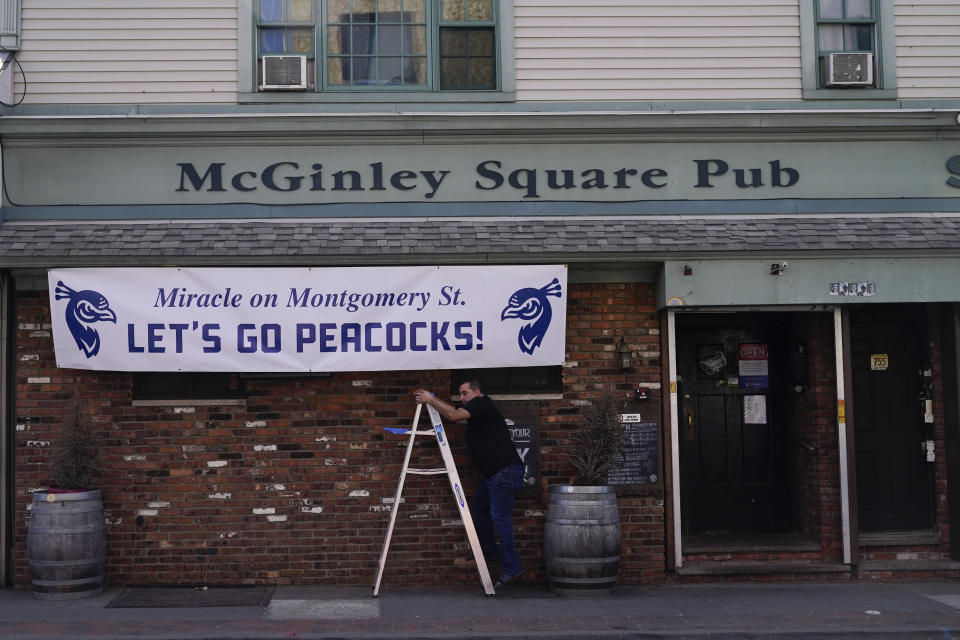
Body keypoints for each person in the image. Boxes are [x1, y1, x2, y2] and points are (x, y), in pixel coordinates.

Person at [413, 381, 526, 588]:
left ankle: (512, 567)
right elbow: (454, 412)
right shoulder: (476, 412)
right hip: (495, 476)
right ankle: (490, 551)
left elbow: (454, 415)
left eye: (465, 393)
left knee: (500, 519)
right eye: (460, 395)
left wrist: (431, 399)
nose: (462, 398)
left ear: (477, 392)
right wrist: (435, 400)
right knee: (478, 508)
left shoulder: (482, 403)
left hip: (505, 472)